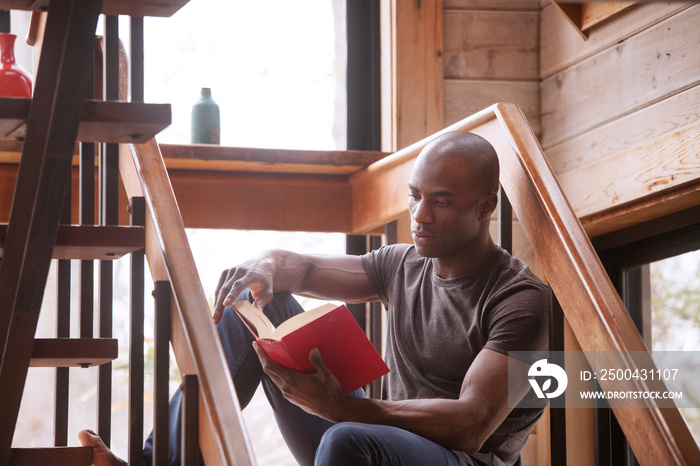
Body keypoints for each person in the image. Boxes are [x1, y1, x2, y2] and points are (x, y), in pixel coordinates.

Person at [80, 131, 549, 465]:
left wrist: (346, 409)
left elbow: (473, 424)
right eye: (414, 196)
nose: (419, 215)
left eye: (441, 201)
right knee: (255, 309)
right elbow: (300, 268)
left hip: (460, 459)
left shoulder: (520, 299)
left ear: (486, 206)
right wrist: (265, 265)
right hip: (375, 434)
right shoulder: (401, 264)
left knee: (348, 439)